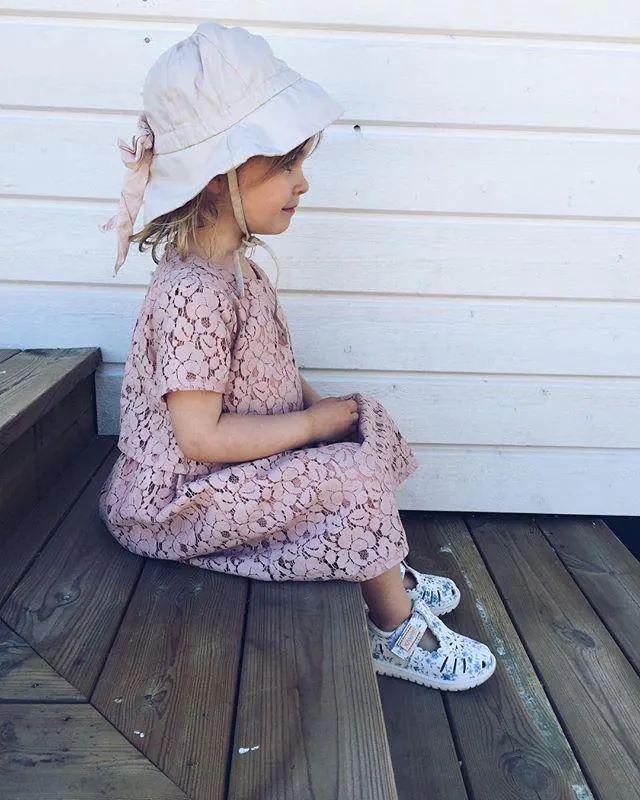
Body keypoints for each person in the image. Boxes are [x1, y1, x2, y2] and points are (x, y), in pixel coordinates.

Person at [98, 22, 496, 692]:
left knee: (363, 422)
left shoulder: (239, 270)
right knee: (349, 476)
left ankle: (380, 561)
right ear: (218, 178)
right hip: (179, 500)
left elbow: (271, 366)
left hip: (236, 466)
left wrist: (321, 412)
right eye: (285, 165)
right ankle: (393, 627)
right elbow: (199, 437)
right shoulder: (193, 293)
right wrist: (311, 428)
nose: (302, 183)